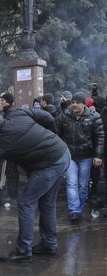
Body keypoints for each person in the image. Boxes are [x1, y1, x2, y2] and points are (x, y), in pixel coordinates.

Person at [0, 109, 70, 263]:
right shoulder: (16, 113)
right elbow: (45, 116)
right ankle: (49, 244)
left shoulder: (0, 142)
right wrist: (51, 137)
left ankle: (24, 250)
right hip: (61, 152)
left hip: (50, 164)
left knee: (26, 202)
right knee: (47, 203)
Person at [56, 92, 104, 223]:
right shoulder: (63, 117)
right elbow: (56, 136)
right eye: (73, 102)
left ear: (84, 104)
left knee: (83, 185)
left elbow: (100, 137)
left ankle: (79, 207)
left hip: (87, 156)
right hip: (69, 156)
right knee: (71, 183)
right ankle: (74, 211)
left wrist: (98, 155)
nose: (74, 105)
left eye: (77, 102)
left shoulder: (94, 117)